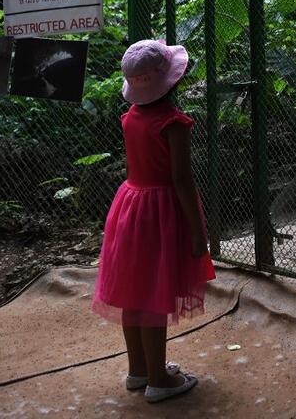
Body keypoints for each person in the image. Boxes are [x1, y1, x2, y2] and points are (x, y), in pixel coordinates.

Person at [91, 39, 216, 403]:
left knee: (135, 292)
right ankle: (159, 379)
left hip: (130, 206)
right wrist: (197, 230)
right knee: (156, 296)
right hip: (160, 212)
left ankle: (139, 370)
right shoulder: (174, 123)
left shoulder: (129, 118)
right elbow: (181, 179)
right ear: (171, 81)